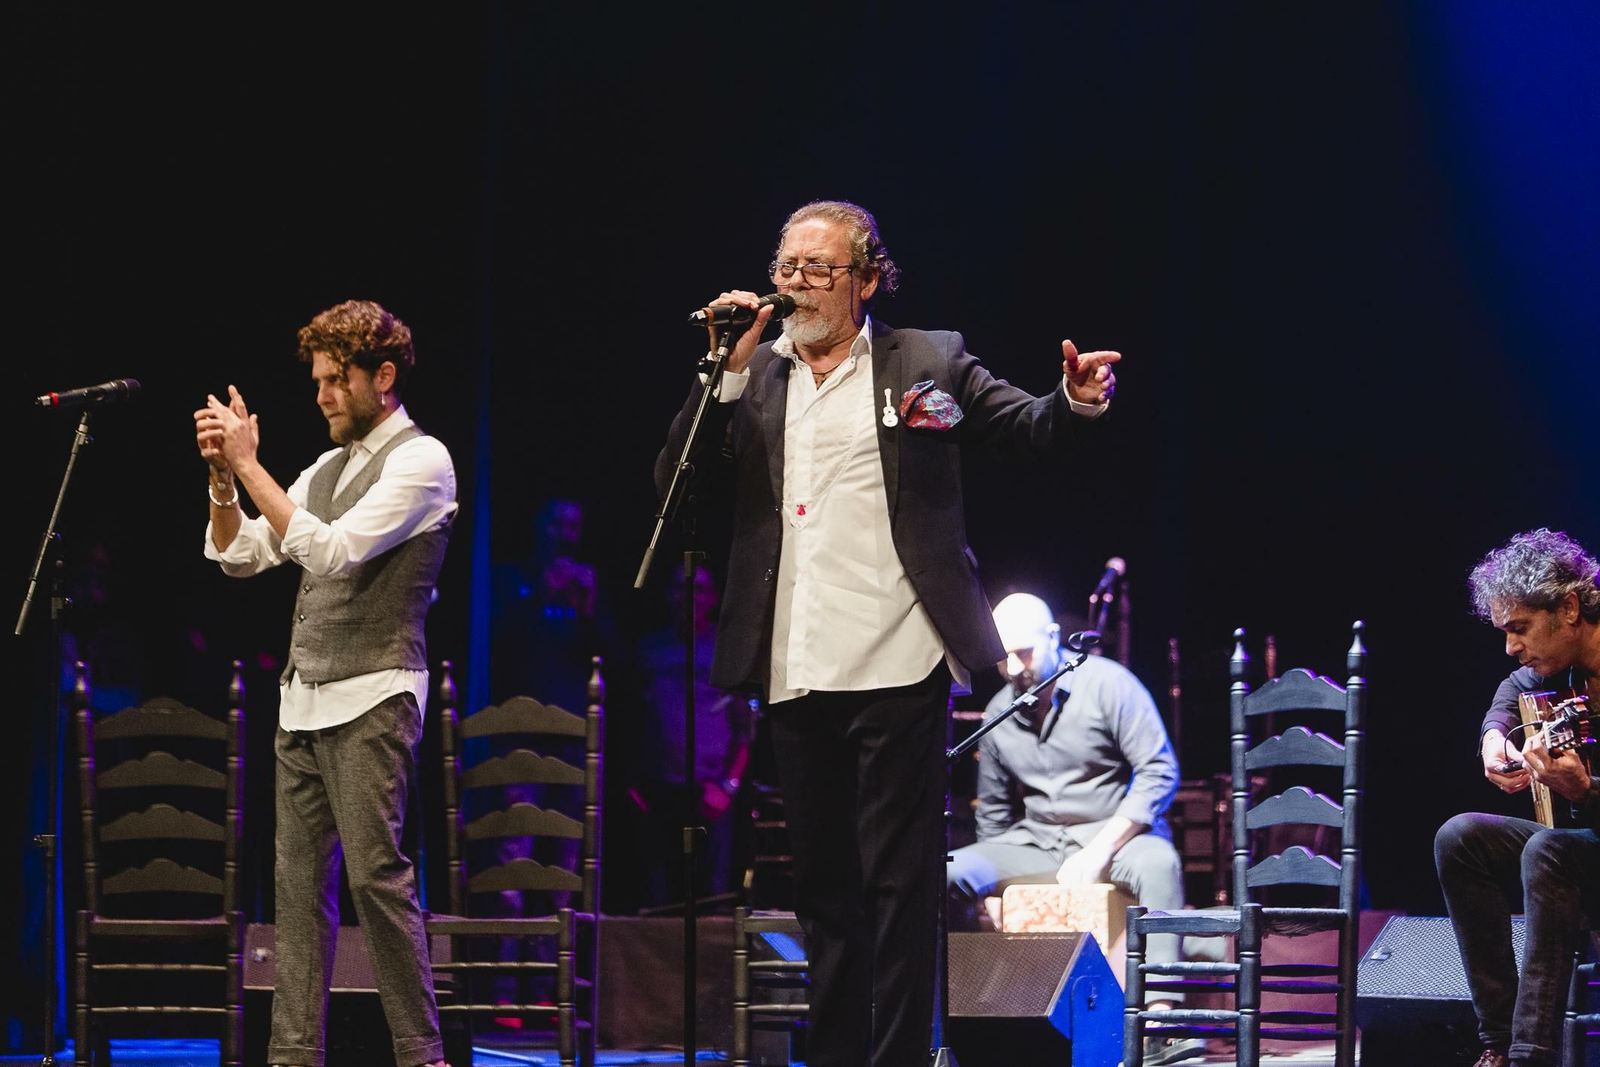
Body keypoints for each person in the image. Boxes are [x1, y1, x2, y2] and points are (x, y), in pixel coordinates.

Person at [654, 200, 1119, 1067]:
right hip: (794, 658)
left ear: (867, 280)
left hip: (899, 655)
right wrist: (719, 373)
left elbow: (1020, 425)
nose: (795, 285)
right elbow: (677, 485)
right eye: (786, 268)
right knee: (825, 892)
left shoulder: (926, 359)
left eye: (818, 270)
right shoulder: (755, 374)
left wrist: (1073, 401)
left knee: (901, 888)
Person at [195, 299, 456, 1067]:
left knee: (377, 879)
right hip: (303, 701)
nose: (322, 395)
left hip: (375, 694)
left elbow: (335, 552)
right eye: (316, 380)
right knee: (297, 890)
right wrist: (223, 480)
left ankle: (421, 1053)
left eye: (336, 379)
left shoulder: (422, 460)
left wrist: (250, 466)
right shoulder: (326, 467)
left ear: (383, 376)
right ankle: (292, 1055)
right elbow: (242, 552)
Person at [946, 593, 1195, 1066]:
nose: (1014, 666)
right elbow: (994, 817)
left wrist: (1101, 850)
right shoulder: (1000, 711)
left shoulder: (1109, 685)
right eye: (1002, 656)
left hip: (1113, 834)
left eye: (1024, 651)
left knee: (1160, 862)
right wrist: (990, 892)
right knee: (951, 870)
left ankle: (1160, 1021)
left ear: (1055, 638)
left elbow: (1159, 771)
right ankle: (972, 1010)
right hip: (1038, 842)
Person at [1434, 528, 1600, 1067]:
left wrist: (1585, 790)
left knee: (1547, 850)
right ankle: (1500, 1045)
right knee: (1461, 837)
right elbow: (1512, 689)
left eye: (1520, 628)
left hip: (1578, 849)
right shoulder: (1563, 670)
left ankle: (1531, 1056)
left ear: (1569, 608)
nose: (1510, 645)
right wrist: (1492, 737)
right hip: (1586, 854)